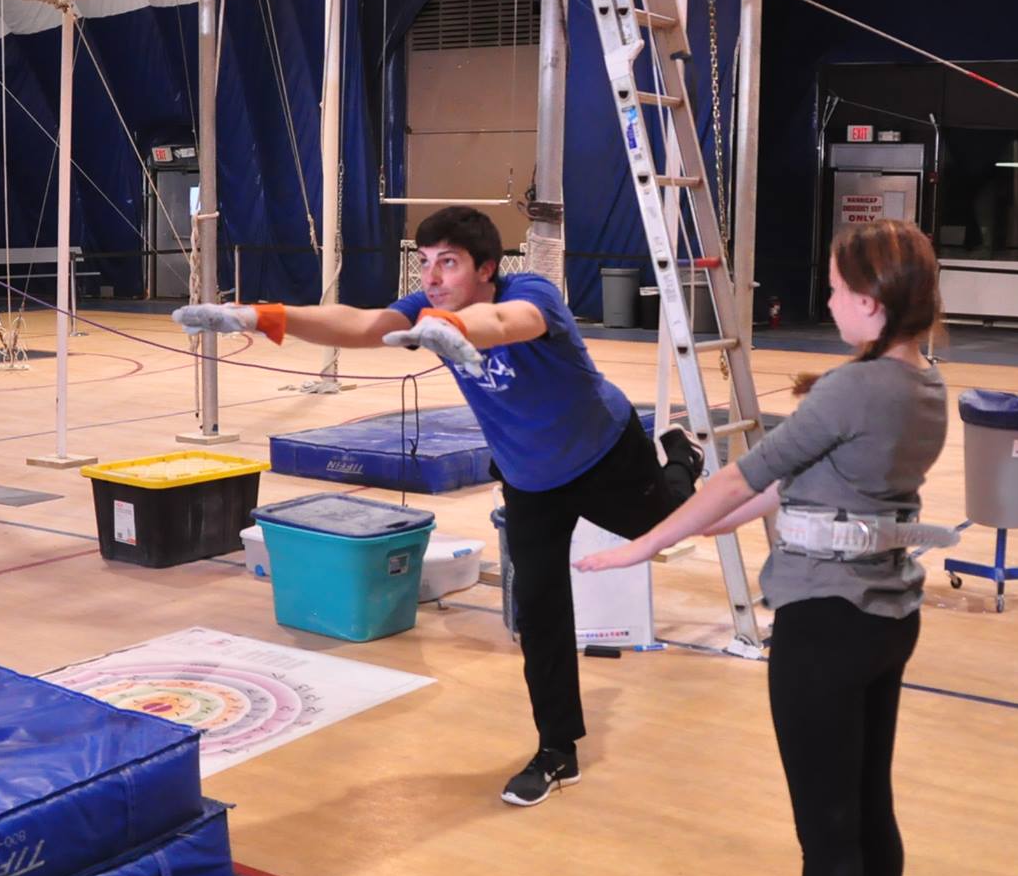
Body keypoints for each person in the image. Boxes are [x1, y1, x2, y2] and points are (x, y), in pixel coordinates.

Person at [172, 205, 702, 807]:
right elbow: (360, 323)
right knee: (541, 615)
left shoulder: (533, 295)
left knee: (667, 526)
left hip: (604, 452)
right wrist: (261, 315)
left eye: (447, 263)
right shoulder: (427, 312)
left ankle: (681, 456)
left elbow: (505, 321)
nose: (431, 277)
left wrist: (455, 331)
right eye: (424, 263)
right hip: (530, 482)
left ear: (486, 267)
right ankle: (558, 750)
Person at [575, 218, 948, 876]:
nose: (826, 300)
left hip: (825, 623)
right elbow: (817, 484)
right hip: (888, 615)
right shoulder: (924, 387)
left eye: (835, 289)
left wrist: (644, 544)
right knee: (868, 805)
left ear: (871, 302)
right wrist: (726, 517)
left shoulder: (854, 389)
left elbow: (748, 472)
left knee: (827, 826)